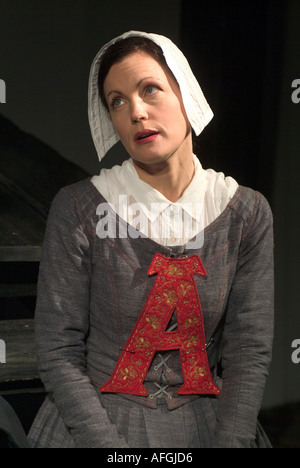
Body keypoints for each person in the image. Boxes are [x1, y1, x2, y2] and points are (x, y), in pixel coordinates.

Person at [28, 30, 274, 448]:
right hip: (97, 427)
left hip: (210, 428)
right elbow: (57, 351)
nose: (136, 112)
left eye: (150, 90)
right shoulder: (80, 209)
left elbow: (248, 352)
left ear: (186, 94)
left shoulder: (244, 213)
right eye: (117, 101)